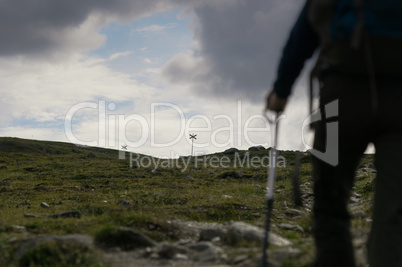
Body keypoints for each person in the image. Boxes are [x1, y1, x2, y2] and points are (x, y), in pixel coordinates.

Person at [265, 1, 402, 266]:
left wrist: (280, 93)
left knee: (330, 200)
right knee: (395, 209)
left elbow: (299, 41)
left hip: (342, 97)